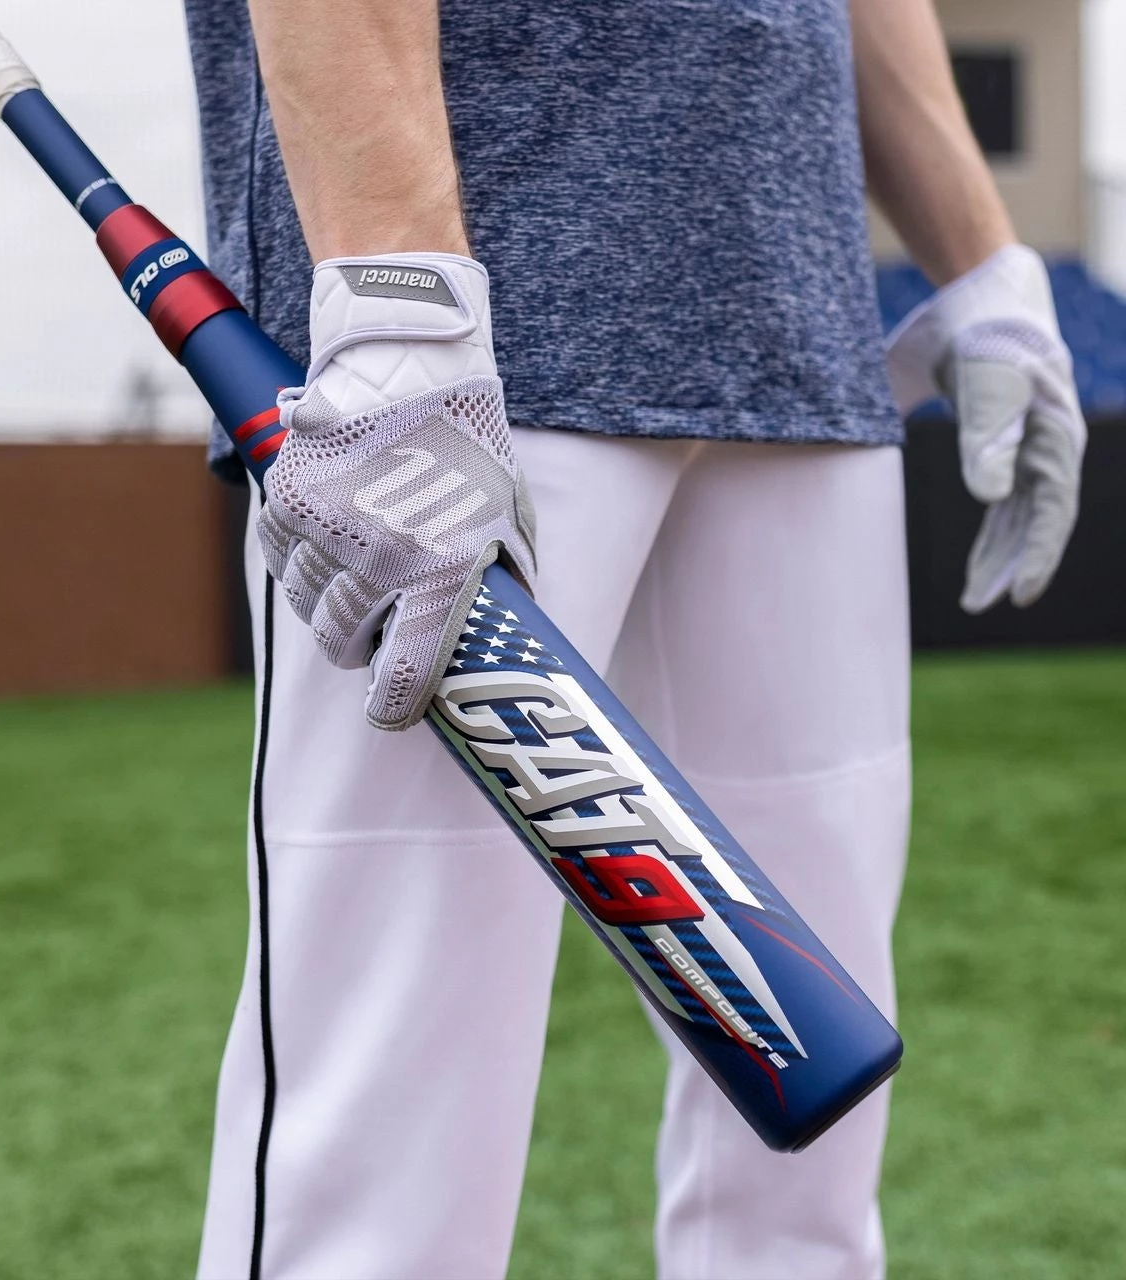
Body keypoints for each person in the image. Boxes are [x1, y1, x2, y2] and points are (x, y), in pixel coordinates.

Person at [183, 1, 1085, 1276]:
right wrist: (396, 306)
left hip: (796, 339)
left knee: (808, 1153)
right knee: (385, 1150)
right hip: (467, 363)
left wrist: (984, 266)